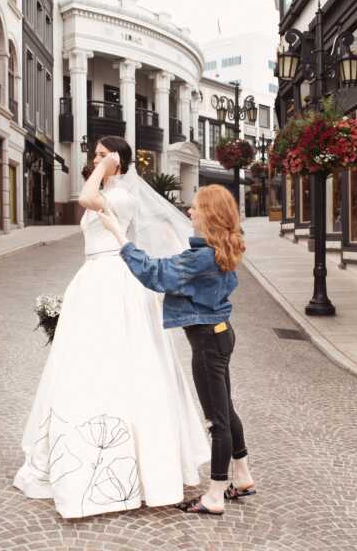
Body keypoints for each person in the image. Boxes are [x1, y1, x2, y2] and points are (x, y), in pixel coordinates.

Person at [13, 136, 209, 519]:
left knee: (122, 362)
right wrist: (104, 168)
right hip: (92, 279)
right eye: (95, 155)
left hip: (113, 279)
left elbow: (84, 199)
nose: (95, 160)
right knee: (85, 364)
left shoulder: (120, 196)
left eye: (103, 155)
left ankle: (133, 464)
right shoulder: (110, 189)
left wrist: (104, 168)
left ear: (119, 161)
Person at [97, 184, 255, 516]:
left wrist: (119, 237)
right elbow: (182, 266)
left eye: (196, 207)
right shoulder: (217, 248)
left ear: (209, 214)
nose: (190, 212)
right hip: (220, 334)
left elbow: (155, 275)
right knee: (226, 409)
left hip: (209, 341)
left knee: (217, 419)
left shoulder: (201, 256)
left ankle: (214, 495)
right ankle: (242, 476)